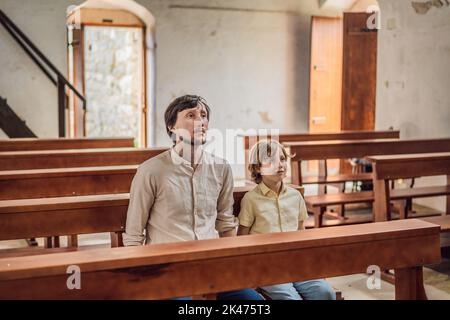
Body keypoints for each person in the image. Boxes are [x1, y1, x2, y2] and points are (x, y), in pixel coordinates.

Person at [123, 94, 263, 300]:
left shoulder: (221, 168)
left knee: (254, 304)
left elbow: (225, 224)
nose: (201, 122)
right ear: (172, 126)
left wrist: (234, 268)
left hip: (211, 263)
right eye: (191, 115)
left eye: (204, 116)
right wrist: (142, 281)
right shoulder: (150, 171)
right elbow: (134, 235)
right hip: (167, 267)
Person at [237, 139, 336, 300]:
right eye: (271, 160)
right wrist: (249, 273)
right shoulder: (251, 200)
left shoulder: (295, 196)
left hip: (296, 264)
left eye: (282, 159)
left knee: (326, 293)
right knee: (290, 299)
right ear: (257, 168)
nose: (280, 165)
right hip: (267, 267)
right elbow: (242, 240)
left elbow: (301, 233)